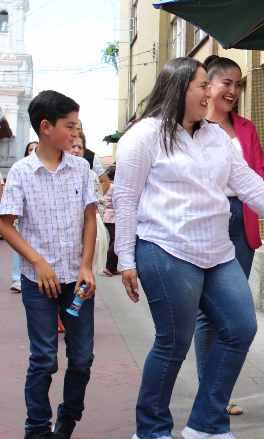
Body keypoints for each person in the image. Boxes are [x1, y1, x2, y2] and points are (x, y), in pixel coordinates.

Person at [113, 57, 264, 439]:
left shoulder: (216, 136)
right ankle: (152, 429)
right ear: (179, 90)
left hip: (217, 250)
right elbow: (125, 197)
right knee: (173, 342)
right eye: (203, 85)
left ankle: (206, 424)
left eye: (210, 84)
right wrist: (126, 257)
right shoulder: (144, 136)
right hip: (165, 248)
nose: (211, 93)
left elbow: (250, 184)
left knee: (240, 327)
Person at [0, 90, 97, 439]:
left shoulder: (82, 168)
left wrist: (86, 266)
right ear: (45, 127)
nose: (75, 133)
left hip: (77, 282)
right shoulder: (22, 172)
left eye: (77, 126)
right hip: (37, 283)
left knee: (82, 358)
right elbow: (5, 224)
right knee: (43, 359)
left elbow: (89, 219)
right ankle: (37, 429)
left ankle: (67, 420)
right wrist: (37, 261)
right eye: (69, 126)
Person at [192, 55, 264, 416]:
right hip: (207, 221)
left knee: (233, 311)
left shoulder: (247, 129)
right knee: (208, 312)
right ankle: (212, 394)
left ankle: (217, 391)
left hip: (242, 221)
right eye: (228, 82)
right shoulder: (190, 128)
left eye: (239, 84)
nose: (235, 91)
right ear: (207, 85)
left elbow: (260, 177)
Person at [70, 133, 109, 275]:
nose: (75, 150)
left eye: (79, 147)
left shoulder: (91, 174)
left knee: (86, 270)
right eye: (72, 146)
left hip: (88, 227)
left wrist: (96, 215)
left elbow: (100, 200)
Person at [9, 141, 38, 293]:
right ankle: (16, 278)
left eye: (35, 148)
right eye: (30, 149)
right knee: (18, 244)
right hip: (21, 218)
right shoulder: (20, 169)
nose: (33, 151)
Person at [102, 165, 118, 276]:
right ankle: (109, 267)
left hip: (107, 216)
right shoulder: (114, 187)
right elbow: (116, 203)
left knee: (113, 241)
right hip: (112, 217)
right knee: (115, 241)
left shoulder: (107, 185)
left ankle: (113, 268)